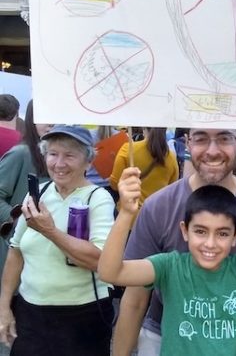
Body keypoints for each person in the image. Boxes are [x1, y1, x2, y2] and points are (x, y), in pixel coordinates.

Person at [112, 128, 236, 356]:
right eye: (201, 139)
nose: (213, 151)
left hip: (233, 338)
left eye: (224, 138)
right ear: (187, 143)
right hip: (165, 337)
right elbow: (135, 299)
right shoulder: (158, 207)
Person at [99, 178, 236, 355]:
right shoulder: (169, 266)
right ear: (185, 231)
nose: (210, 243)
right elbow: (110, 272)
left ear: (235, 236)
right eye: (200, 231)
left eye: (222, 233)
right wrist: (126, 215)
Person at [0, 125, 115, 356]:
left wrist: (50, 231)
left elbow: (100, 260)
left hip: (82, 316)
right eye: (53, 154)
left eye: (70, 155)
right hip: (31, 314)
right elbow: (16, 251)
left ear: (88, 162)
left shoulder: (98, 198)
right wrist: (4, 307)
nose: (59, 164)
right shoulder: (38, 193)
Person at [0, 100, 52, 283]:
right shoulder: (21, 153)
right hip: (17, 250)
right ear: (32, 119)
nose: (51, 123)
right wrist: (19, 219)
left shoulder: (63, 160)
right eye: (44, 117)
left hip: (48, 250)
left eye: (56, 117)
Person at [110, 127, 179, 223]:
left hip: (127, 218)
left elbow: (115, 184)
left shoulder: (128, 149)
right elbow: (172, 189)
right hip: (156, 218)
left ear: (143, 128)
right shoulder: (171, 157)